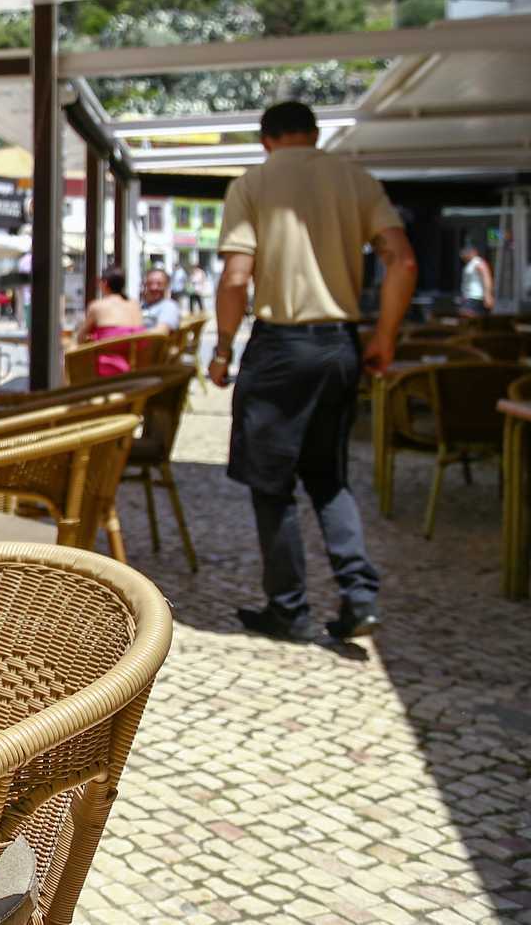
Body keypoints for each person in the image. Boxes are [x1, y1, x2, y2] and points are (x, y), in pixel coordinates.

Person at [210, 101, 416, 644]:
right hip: (339, 345)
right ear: (315, 134)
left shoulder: (251, 184)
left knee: (270, 481)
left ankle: (289, 610)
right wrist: (385, 336)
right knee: (329, 477)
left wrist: (223, 349)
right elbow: (403, 260)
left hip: (280, 347)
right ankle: (360, 596)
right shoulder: (356, 179)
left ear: (265, 139)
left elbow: (236, 278)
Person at [74, 266, 146, 377]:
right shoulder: (135, 304)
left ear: (105, 283)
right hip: (137, 367)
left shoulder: (97, 306)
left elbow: (80, 339)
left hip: (109, 370)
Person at [139, 267, 182, 334]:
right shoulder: (142, 305)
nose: (154, 287)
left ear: (166, 286)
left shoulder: (169, 306)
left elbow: (161, 331)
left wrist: (131, 334)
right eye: (149, 283)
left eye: (159, 284)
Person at [457, 245, 495, 318]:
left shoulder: (478, 262)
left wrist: (488, 294)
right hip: (468, 296)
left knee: (469, 316)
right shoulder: (470, 263)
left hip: (476, 296)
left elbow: (486, 277)